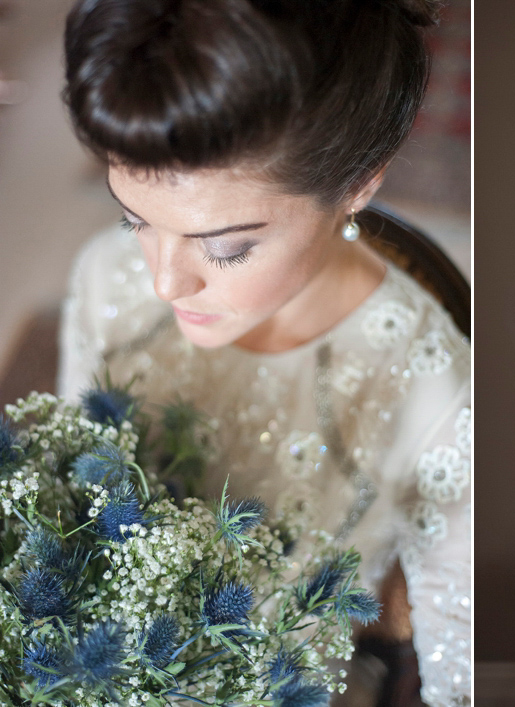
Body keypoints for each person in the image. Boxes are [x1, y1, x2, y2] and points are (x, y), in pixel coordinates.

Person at [56, 1, 470, 705]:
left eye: (226, 247)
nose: (162, 280)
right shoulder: (107, 278)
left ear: (360, 181)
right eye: (135, 219)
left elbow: (455, 667)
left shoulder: (431, 390)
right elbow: (69, 492)